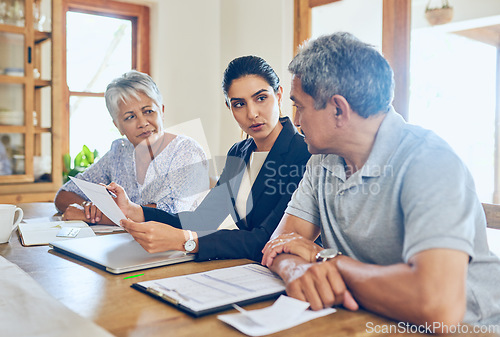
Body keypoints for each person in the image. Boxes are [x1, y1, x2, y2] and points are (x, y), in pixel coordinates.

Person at [261, 32, 500, 330]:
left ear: (338, 109)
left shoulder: (430, 161)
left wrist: (327, 261)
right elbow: (278, 245)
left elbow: (437, 306)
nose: (295, 121)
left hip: (470, 328)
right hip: (371, 317)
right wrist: (296, 269)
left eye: (300, 107)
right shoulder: (321, 161)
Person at [108, 56, 311, 262]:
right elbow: (204, 219)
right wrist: (135, 211)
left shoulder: (305, 154)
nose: (252, 113)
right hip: (242, 267)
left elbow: (268, 238)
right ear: (229, 107)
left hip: (286, 271)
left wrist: (187, 240)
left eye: (261, 98)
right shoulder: (239, 152)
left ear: (278, 95)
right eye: (239, 104)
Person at [55, 70, 209, 225]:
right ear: (118, 126)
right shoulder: (119, 151)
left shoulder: (187, 151)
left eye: (148, 111)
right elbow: (65, 194)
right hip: (125, 242)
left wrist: (90, 217)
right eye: (130, 117)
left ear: (161, 111)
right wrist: (86, 207)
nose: (142, 123)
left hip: (179, 247)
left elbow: (170, 215)